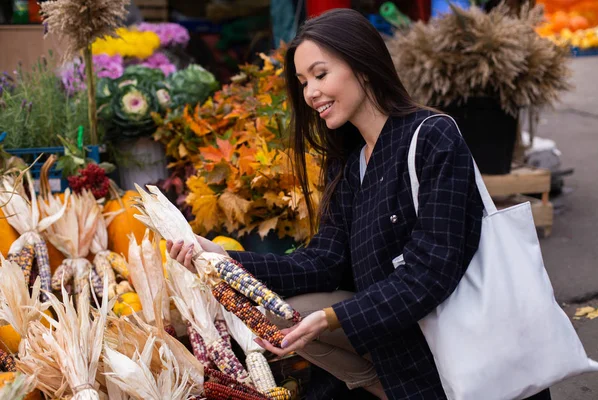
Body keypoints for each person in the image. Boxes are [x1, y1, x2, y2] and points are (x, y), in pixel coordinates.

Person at [168, 8, 552, 400]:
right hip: (396, 328)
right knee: (284, 313)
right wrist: (221, 258)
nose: (310, 92)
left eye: (320, 74)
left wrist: (335, 317)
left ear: (363, 66)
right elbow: (322, 262)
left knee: (312, 317)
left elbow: (431, 271)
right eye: (303, 82)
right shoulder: (351, 164)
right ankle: (388, 390)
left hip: (457, 326)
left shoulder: (433, 136)